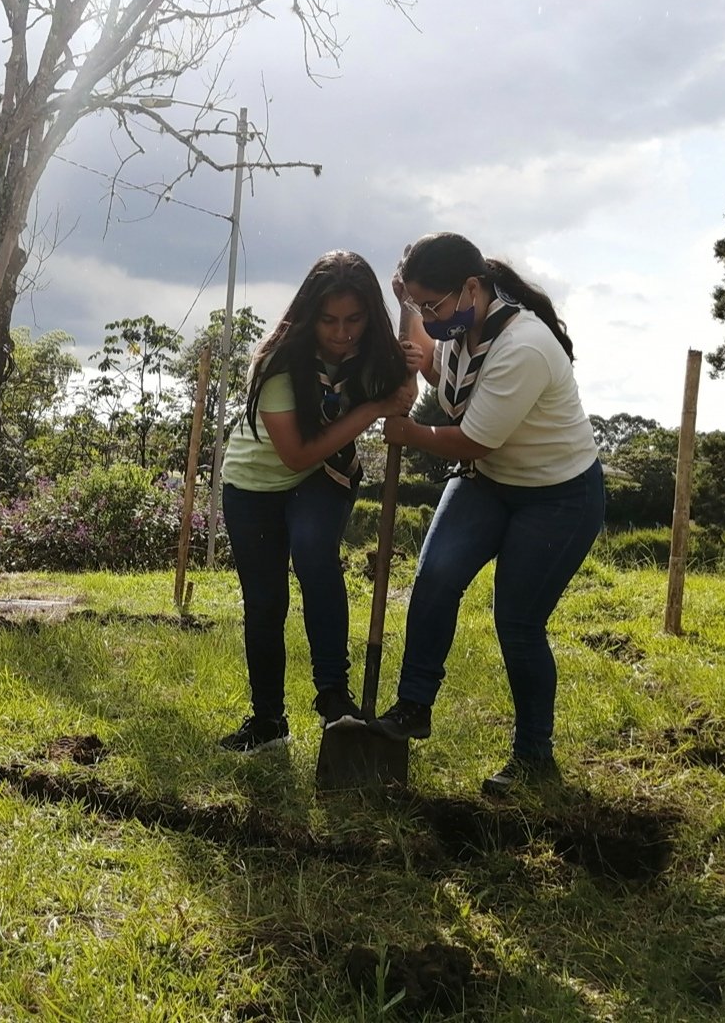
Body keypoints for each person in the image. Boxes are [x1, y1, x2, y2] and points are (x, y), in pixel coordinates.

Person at [367, 232, 605, 796]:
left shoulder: (523, 345)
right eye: (419, 306)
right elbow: (447, 377)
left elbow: (474, 439)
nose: (427, 316)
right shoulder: (459, 322)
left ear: (472, 288)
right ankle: (413, 706)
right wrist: (415, 334)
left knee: (518, 624)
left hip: (557, 496)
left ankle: (534, 762)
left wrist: (409, 433)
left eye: (434, 305)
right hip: (490, 485)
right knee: (435, 578)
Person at [218, 250, 420, 753]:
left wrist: (408, 311)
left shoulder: (370, 351)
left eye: (354, 319)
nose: (341, 332)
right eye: (329, 320)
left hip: (326, 474)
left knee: (313, 552)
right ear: (311, 316)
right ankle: (268, 722)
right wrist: (374, 407)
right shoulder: (278, 363)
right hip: (255, 484)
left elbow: (403, 395)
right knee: (265, 603)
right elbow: (295, 454)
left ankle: (334, 698)